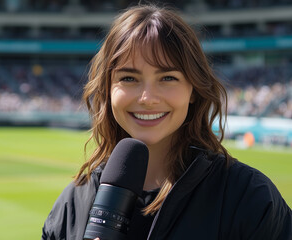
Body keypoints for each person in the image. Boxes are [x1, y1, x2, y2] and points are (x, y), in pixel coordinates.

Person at [41, 4, 292, 240]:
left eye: (168, 78)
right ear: (107, 89)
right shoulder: (72, 204)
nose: (147, 98)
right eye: (128, 78)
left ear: (193, 89)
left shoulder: (248, 197)